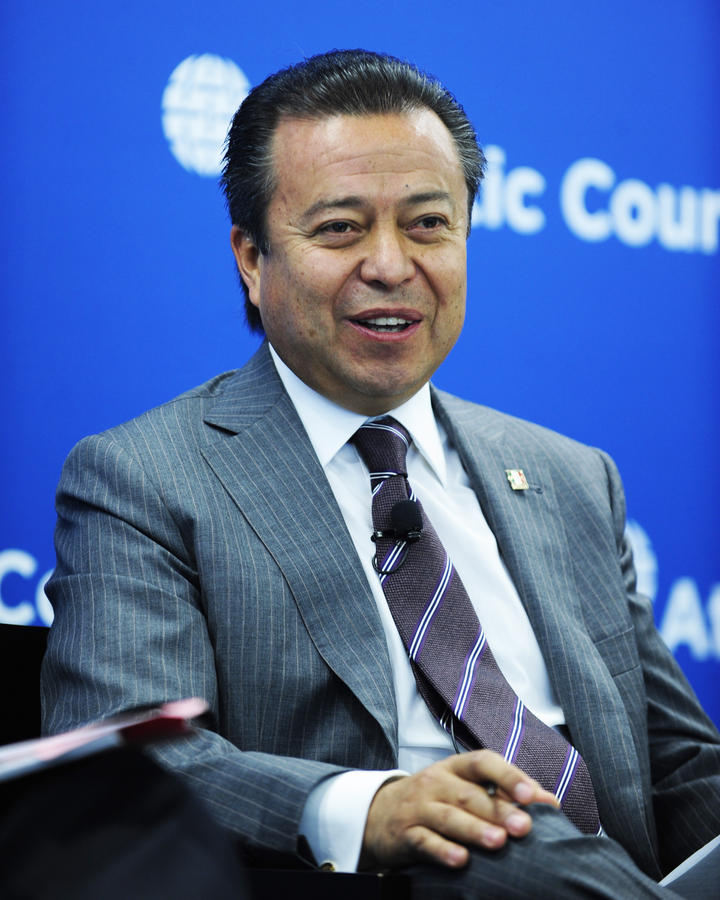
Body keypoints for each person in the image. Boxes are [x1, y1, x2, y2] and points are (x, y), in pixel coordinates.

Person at [42, 50, 720, 897]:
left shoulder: (573, 477)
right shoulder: (143, 478)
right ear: (251, 259)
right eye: (340, 229)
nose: (392, 266)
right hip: (410, 877)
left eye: (428, 224)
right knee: (508, 842)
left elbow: (681, 765)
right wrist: (370, 809)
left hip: (612, 875)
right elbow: (131, 761)